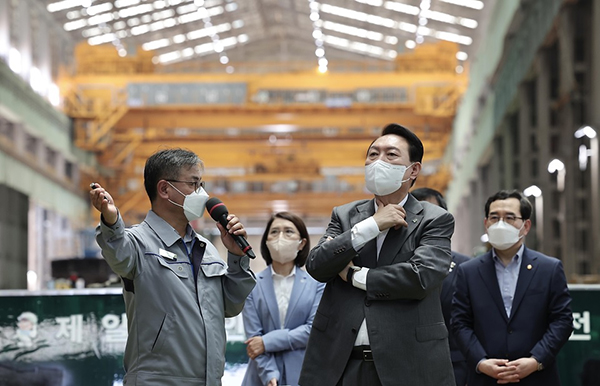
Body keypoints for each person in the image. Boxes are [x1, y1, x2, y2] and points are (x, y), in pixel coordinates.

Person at [299, 123, 456, 386]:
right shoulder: (345, 215)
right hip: (340, 363)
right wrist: (371, 225)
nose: (378, 161)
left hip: (408, 365)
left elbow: (420, 277)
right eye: (373, 154)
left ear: (413, 169)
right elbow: (317, 265)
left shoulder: (435, 219)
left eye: (391, 155)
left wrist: (353, 275)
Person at [90, 148, 256, 386]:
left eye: (201, 184)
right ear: (165, 189)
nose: (203, 194)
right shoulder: (138, 243)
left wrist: (237, 257)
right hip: (157, 381)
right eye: (194, 183)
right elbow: (117, 251)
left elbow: (230, 306)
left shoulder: (205, 248)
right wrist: (111, 220)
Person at [451, 189, 573, 385]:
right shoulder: (468, 272)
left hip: (537, 377)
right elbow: (459, 323)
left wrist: (535, 361)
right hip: (485, 378)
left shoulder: (549, 269)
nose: (500, 223)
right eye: (494, 217)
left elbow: (562, 321)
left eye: (509, 217)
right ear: (486, 224)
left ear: (525, 226)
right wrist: (481, 362)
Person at [241, 212, 325, 386]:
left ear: (301, 243)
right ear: (266, 241)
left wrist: (266, 342)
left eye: (288, 231)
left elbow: (312, 331)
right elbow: (253, 339)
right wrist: (269, 373)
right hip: (260, 376)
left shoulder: (317, 285)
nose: (281, 237)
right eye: (274, 232)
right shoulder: (251, 285)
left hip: (303, 374)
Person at [411, 187, 470, 386]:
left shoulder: (467, 268)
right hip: (405, 368)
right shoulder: (390, 266)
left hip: (454, 369)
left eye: (430, 214)